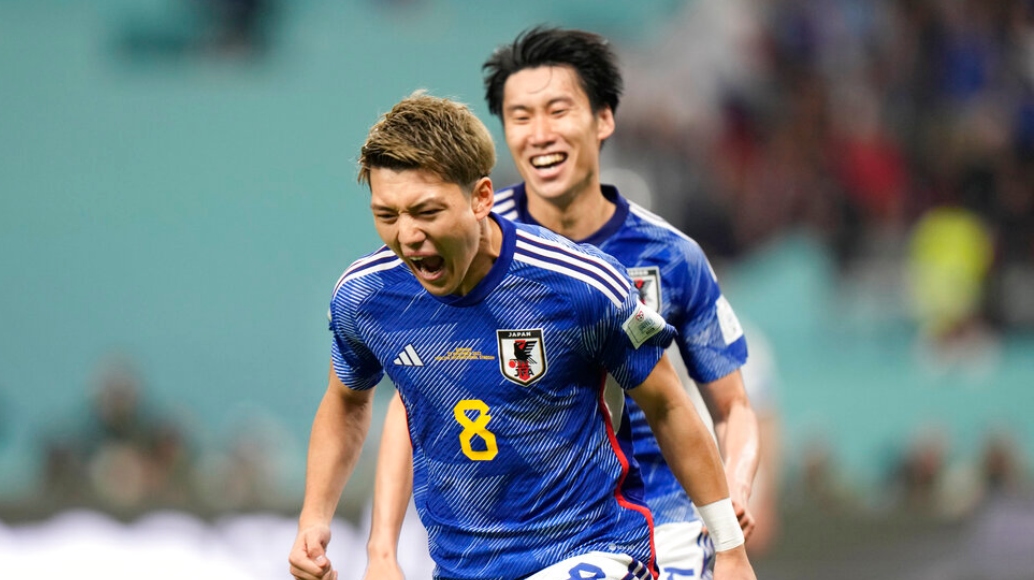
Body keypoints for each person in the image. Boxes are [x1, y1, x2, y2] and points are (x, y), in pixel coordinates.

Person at [289, 92, 755, 580]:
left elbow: (667, 404)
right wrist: (315, 519)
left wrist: (729, 548)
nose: (407, 235)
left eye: (426, 212)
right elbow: (347, 402)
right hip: (463, 566)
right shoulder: (366, 298)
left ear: (481, 197)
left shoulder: (580, 285)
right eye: (387, 215)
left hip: (590, 549)